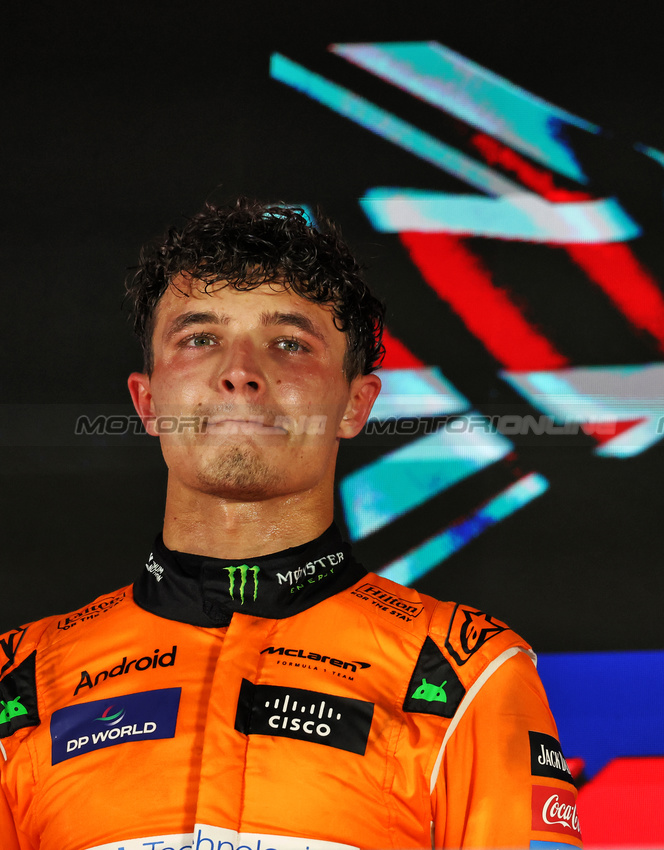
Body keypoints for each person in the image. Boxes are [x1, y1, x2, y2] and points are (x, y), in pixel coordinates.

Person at [0, 200, 582, 850]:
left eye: (288, 343)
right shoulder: (19, 679)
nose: (241, 373)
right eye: (200, 338)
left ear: (355, 404)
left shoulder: (467, 672)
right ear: (147, 400)